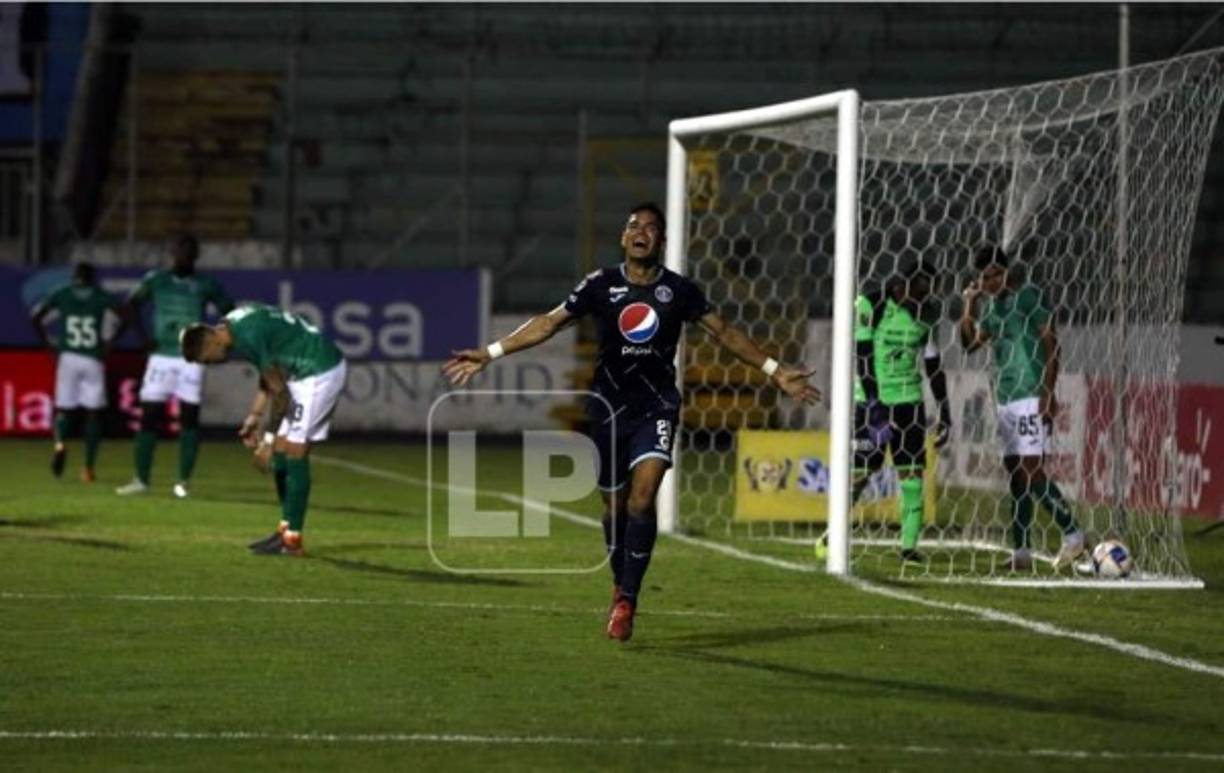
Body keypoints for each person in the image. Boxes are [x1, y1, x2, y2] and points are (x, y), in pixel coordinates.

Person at [443, 202, 821, 642]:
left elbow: (724, 332)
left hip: (657, 406)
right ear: (624, 238)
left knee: (643, 498)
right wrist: (489, 353)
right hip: (607, 408)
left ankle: (627, 598)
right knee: (615, 506)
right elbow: (549, 323)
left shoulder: (679, 290)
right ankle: (619, 582)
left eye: (651, 227)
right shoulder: (600, 284)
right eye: (633, 226)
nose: (641, 232)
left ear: (662, 240)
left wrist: (775, 370)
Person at [180, 303, 347, 557]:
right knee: (281, 453)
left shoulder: (245, 334)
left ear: (211, 342)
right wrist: (255, 415)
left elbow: (280, 394)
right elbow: (268, 373)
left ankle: (293, 540)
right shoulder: (233, 327)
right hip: (301, 373)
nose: (210, 364)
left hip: (318, 371)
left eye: (206, 360)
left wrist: (267, 441)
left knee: (294, 450)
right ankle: (285, 530)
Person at [959, 245, 1084, 571]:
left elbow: (1051, 343)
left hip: (1031, 392)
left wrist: (1048, 391)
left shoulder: (1029, 296)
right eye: (984, 278)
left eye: (995, 276)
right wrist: (969, 305)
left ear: (1007, 272)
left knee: (1031, 469)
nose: (990, 283)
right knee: (1016, 473)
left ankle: (1073, 534)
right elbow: (969, 344)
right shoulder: (989, 308)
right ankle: (1022, 551)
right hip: (1006, 396)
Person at [116, 235, 233, 498]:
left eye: (189, 251)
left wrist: (218, 345)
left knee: (189, 419)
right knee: (149, 416)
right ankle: (141, 480)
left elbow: (229, 312)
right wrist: (142, 338)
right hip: (161, 357)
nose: (183, 255)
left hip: (192, 359)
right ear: (172, 252)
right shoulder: (155, 280)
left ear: (196, 255)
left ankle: (182, 482)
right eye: (180, 250)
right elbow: (130, 305)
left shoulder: (206, 284)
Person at [852, 259, 952, 563]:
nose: (922, 300)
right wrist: (875, 408)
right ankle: (835, 531)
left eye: (927, 294)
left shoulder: (928, 313)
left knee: (912, 476)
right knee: (862, 471)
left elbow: (933, 365)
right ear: (903, 284)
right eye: (918, 293)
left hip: (909, 403)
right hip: (872, 403)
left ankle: (908, 548)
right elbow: (863, 358)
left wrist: (945, 411)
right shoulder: (871, 304)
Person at [30, 263, 128, 482]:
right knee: (93, 414)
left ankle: (59, 444)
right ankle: (88, 467)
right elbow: (126, 316)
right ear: (92, 277)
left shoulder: (62, 293)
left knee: (64, 410)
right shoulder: (101, 296)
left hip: (68, 357)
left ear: (74, 276)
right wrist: (111, 342)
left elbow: (36, 316)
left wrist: (47, 344)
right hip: (92, 358)